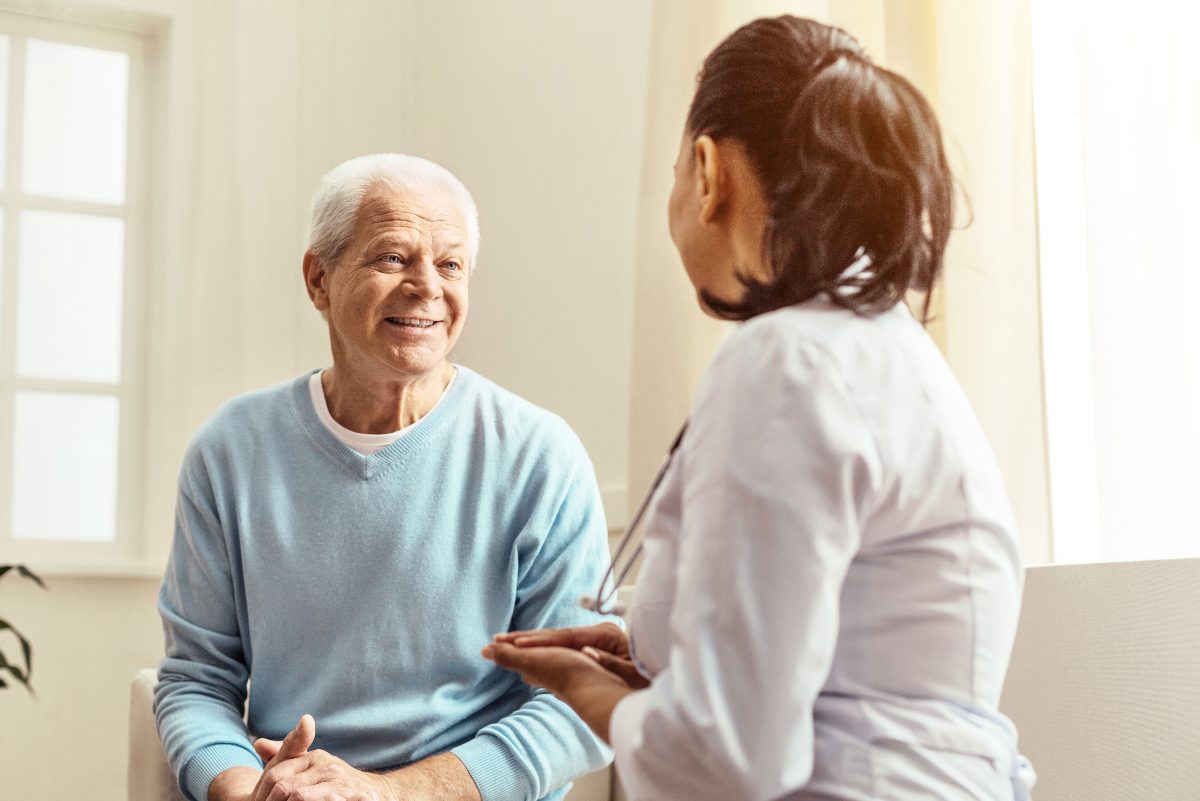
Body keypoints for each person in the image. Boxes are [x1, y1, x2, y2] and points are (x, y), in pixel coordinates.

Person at [483, 15, 1036, 801]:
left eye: (676, 172)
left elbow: (730, 758)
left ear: (706, 172)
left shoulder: (784, 358)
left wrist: (586, 691)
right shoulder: (888, 352)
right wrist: (659, 665)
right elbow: (833, 670)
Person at [155, 154, 614, 801]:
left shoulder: (541, 456)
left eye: (450, 263)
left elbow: (583, 701)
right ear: (319, 278)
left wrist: (390, 792)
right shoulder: (228, 451)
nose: (427, 286)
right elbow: (196, 680)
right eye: (394, 258)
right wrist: (246, 791)